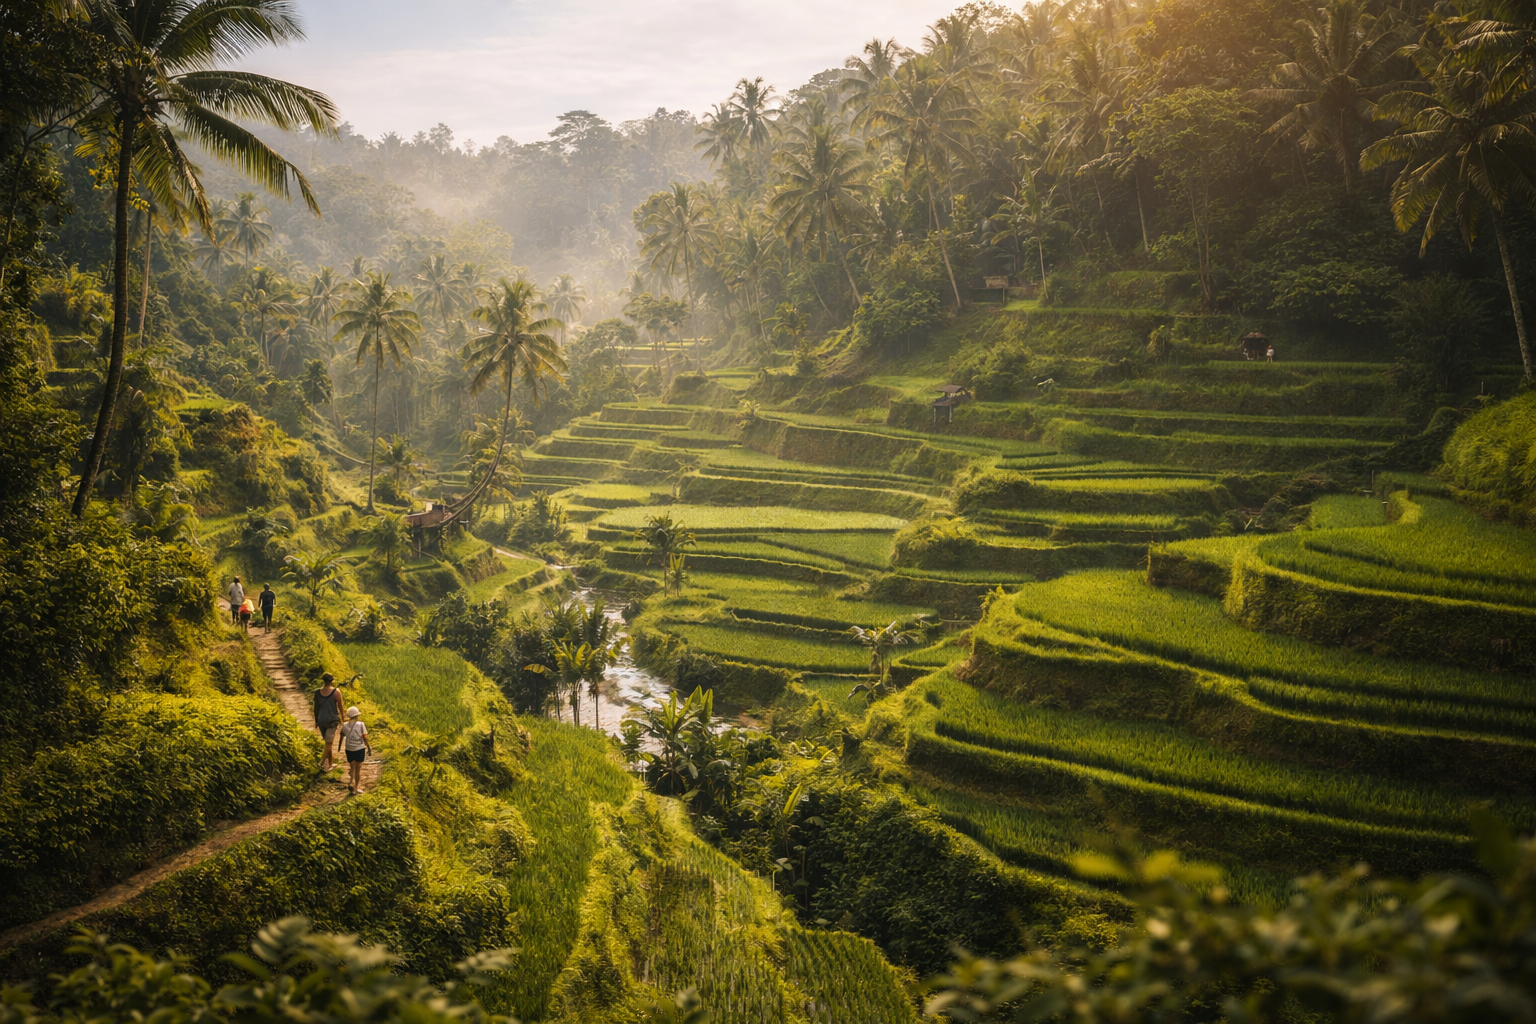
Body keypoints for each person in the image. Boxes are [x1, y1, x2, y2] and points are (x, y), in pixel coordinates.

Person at [338, 706, 371, 795]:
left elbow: (341, 735)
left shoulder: (345, 725)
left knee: (352, 766)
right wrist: (368, 747)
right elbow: (364, 737)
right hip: (359, 748)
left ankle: (351, 781)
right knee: (358, 768)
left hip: (349, 748)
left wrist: (339, 747)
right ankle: (356, 788)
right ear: (357, 715)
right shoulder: (361, 724)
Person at [314, 673, 343, 771]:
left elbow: (316, 708)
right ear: (332, 681)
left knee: (328, 743)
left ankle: (330, 763)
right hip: (332, 720)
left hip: (321, 720)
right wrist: (342, 718)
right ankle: (323, 763)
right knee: (328, 743)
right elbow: (340, 706)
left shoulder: (317, 693)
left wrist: (316, 720)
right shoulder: (336, 692)